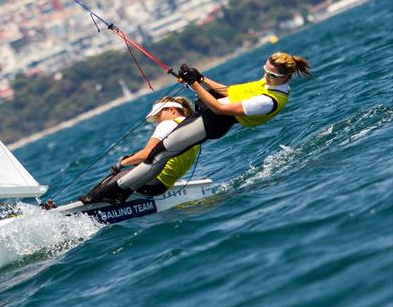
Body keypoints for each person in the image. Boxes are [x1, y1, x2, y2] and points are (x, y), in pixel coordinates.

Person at [84, 51, 311, 203]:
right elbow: (226, 91)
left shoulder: (268, 101)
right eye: (265, 70)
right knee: (160, 154)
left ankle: (118, 193)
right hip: (206, 117)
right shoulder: (267, 83)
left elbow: (220, 109)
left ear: (285, 78)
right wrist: (199, 78)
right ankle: (119, 190)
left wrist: (194, 84)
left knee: (157, 155)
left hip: (211, 122)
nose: (265, 76)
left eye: (270, 75)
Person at [81, 96, 200, 203]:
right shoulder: (192, 128)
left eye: (158, 116)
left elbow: (146, 154)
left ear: (172, 110)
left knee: (113, 179)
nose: (157, 122)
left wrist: (121, 163)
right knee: (135, 167)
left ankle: (87, 204)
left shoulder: (168, 124)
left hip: (150, 183)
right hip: (163, 186)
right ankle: (119, 197)